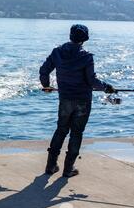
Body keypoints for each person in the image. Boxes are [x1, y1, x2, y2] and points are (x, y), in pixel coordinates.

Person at [39, 25, 116, 178]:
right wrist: (107, 87)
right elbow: (92, 81)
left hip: (65, 99)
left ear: (70, 36)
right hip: (83, 101)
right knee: (76, 133)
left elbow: (44, 70)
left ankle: (51, 166)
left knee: (61, 130)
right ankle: (68, 169)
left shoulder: (57, 52)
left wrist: (46, 85)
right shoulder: (86, 56)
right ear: (84, 39)